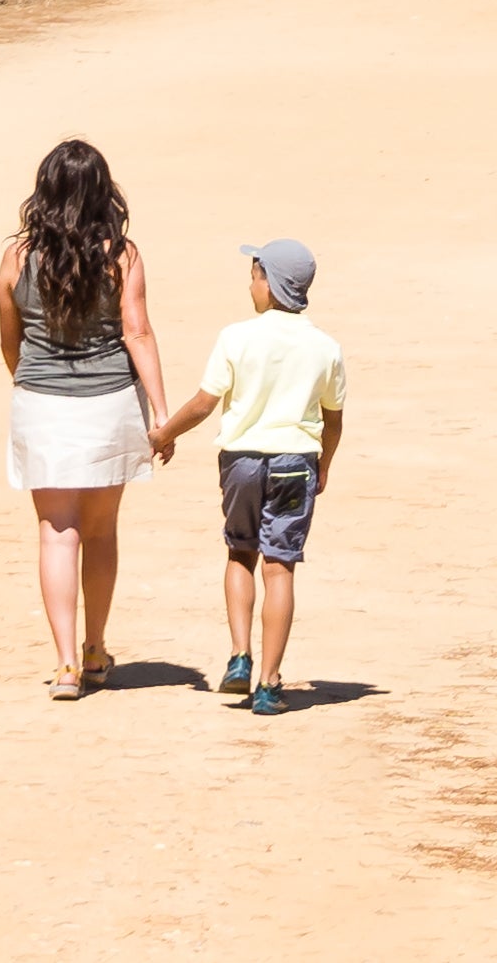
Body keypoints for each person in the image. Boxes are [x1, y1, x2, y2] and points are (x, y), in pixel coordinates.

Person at [0, 138, 171, 698]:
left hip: (42, 404)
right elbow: (136, 330)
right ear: (102, 193)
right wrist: (162, 413)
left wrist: (35, 384)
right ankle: (96, 648)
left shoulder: (17, 257)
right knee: (100, 531)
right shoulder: (123, 255)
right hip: (110, 404)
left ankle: (66, 664)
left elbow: (10, 340)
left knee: (56, 533)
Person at [150, 234, 346, 717]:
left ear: (271, 284)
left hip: (241, 461)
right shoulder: (324, 347)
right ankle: (269, 682)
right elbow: (333, 417)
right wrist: (324, 465)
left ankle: (240, 657)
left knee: (241, 553)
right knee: (280, 566)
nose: (251, 282)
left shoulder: (236, 336)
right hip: (295, 462)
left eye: (256, 274)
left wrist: (163, 434)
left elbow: (203, 403)